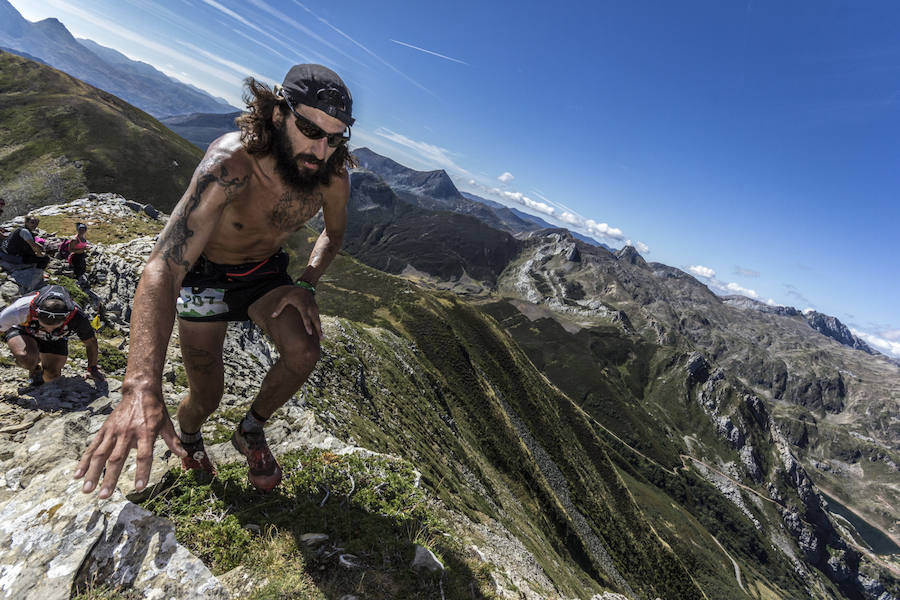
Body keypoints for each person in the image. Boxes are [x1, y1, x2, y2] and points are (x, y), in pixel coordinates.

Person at [75, 64, 357, 498]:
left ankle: (250, 430)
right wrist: (139, 384)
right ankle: (190, 437)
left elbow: (334, 234)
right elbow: (165, 266)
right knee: (207, 394)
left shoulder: (331, 176)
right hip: (205, 276)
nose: (321, 150)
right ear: (279, 113)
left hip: (263, 273)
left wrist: (308, 284)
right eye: (309, 128)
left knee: (304, 351)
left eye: (335, 137)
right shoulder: (232, 163)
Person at [0, 284, 105, 386]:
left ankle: (40, 376)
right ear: (36, 313)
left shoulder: (77, 316)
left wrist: (92, 368)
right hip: (25, 331)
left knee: (52, 375)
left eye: (54, 327)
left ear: (66, 318)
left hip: (56, 338)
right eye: (44, 325)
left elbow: (90, 342)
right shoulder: (20, 309)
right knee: (26, 358)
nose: (48, 330)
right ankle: (34, 368)